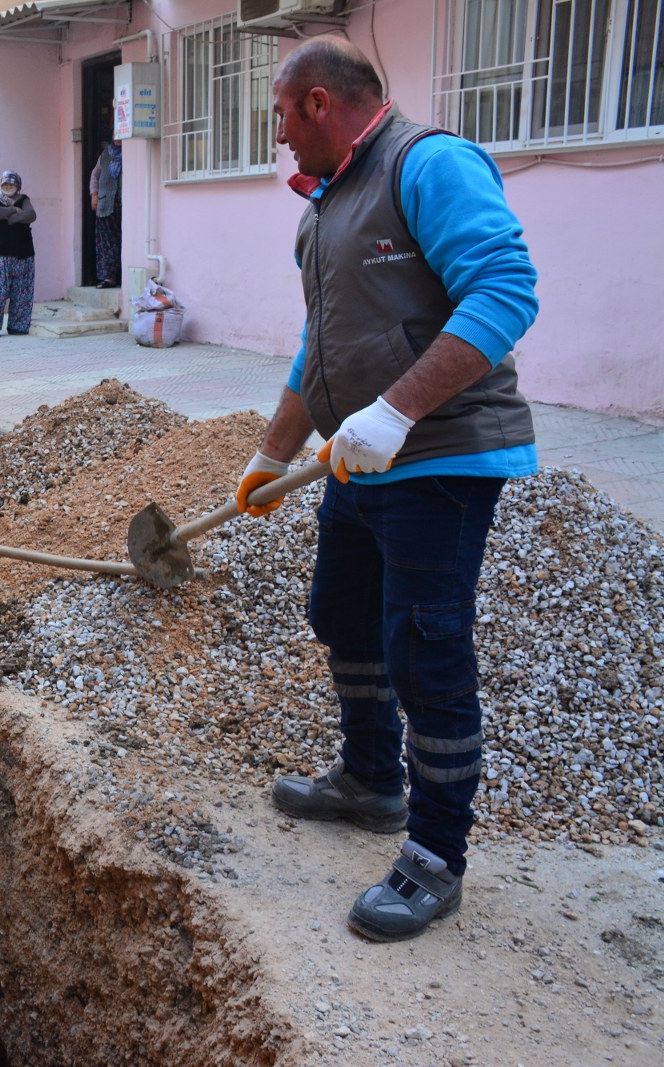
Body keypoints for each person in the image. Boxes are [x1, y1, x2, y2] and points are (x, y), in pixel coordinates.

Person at [241, 38, 538, 942]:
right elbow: (315, 348)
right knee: (342, 611)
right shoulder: (322, 211)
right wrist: (271, 452)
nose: (282, 140)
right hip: (358, 461)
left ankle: (436, 856)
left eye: (285, 118)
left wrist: (398, 412)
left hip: (439, 458)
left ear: (321, 102)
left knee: (426, 650)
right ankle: (371, 778)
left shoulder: (428, 164)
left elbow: (505, 288)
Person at [0, 170, 36, 338]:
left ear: (18, 186)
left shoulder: (24, 199)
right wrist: (14, 210)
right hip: (1, 252)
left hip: (24, 253)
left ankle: (18, 326)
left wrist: (9, 218)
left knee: (22, 291)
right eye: (5, 184)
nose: (8, 187)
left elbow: (31, 215)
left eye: (12, 185)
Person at [88, 140, 122, 288]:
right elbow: (95, 176)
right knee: (106, 244)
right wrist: (94, 195)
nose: (117, 138)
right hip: (105, 205)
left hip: (122, 205)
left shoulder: (128, 153)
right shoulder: (105, 154)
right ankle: (108, 277)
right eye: (115, 134)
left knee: (122, 241)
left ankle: (121, 276)